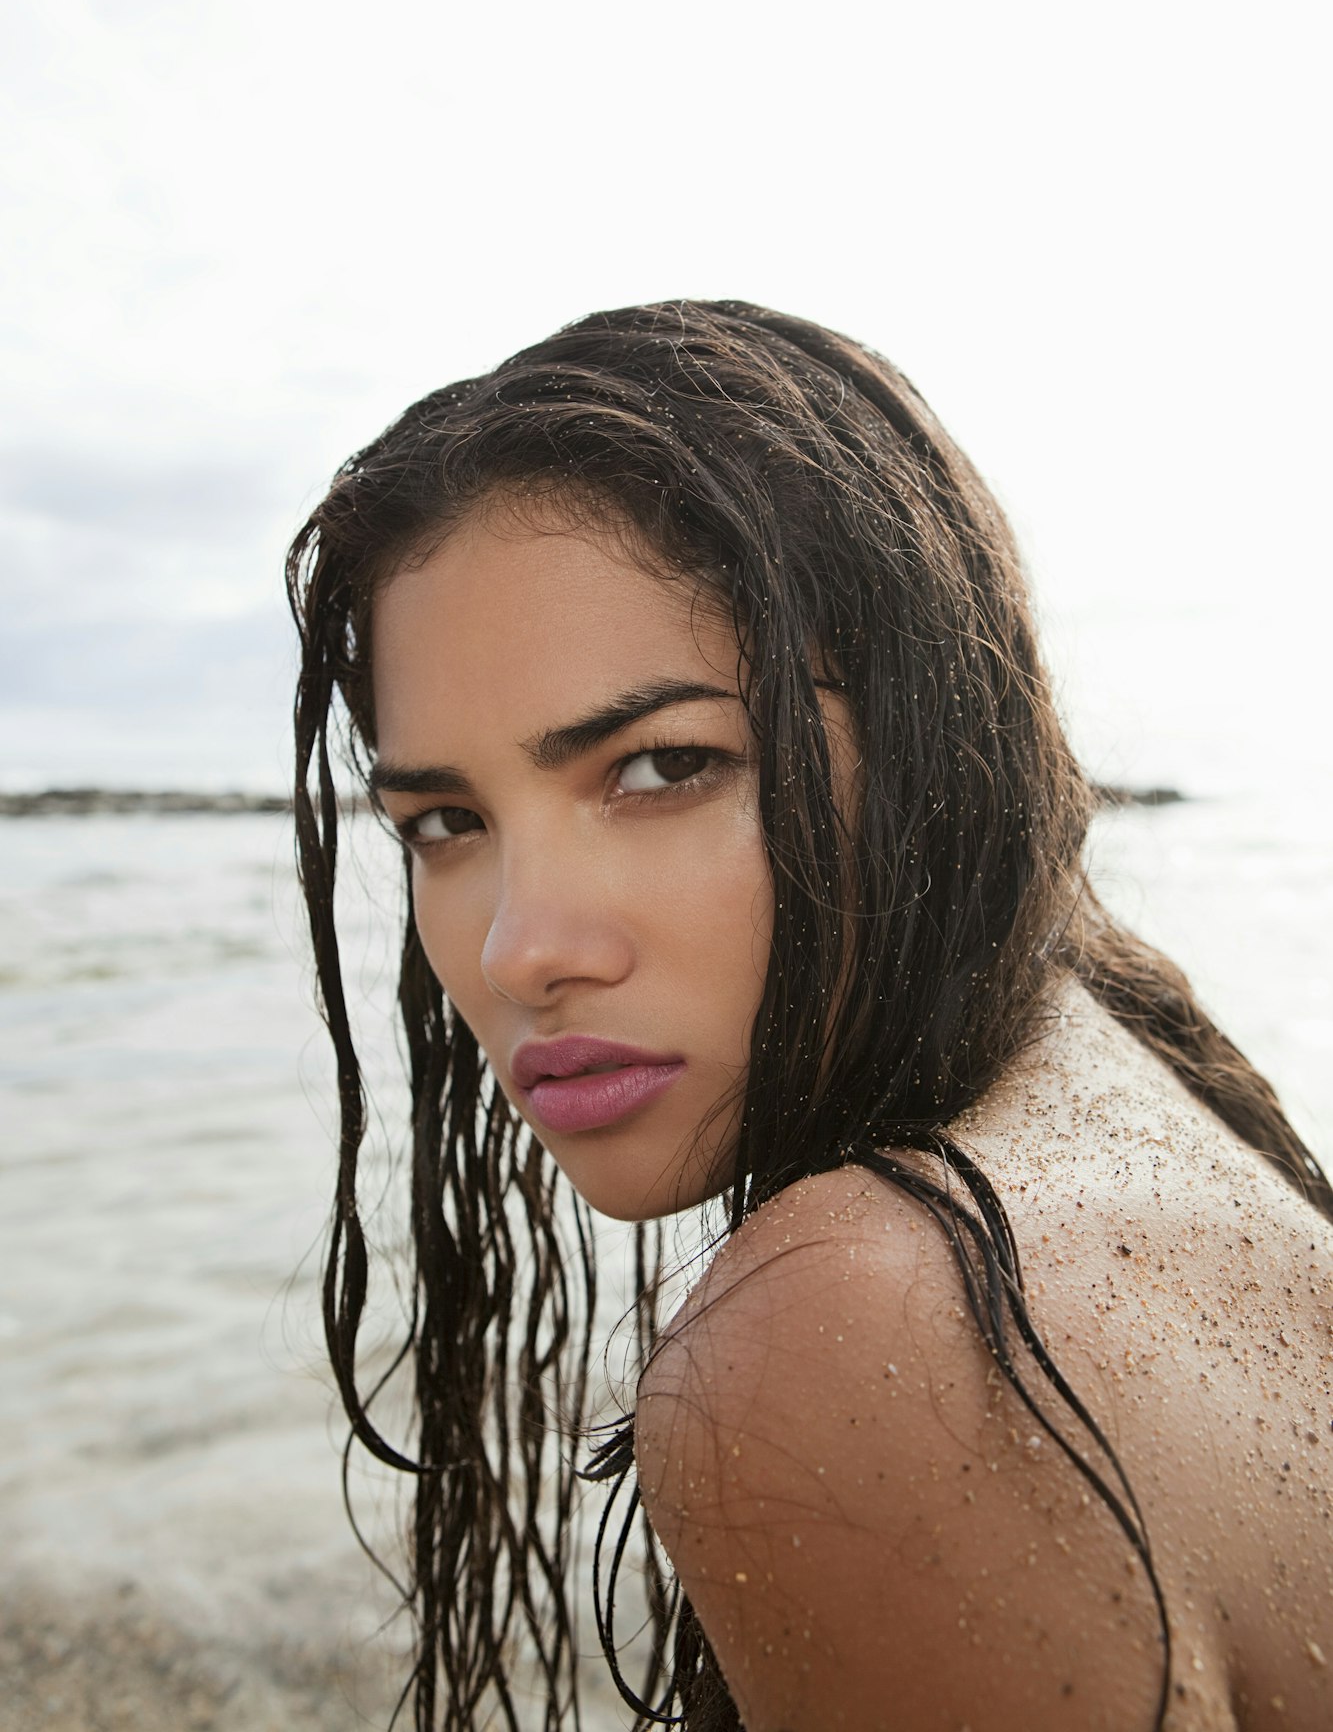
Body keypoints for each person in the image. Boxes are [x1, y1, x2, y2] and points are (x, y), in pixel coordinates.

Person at [287, 300, 1333, 1732]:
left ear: (924, 734)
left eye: (661, 767)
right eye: (446, 819)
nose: (523, 947)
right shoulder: (1133, 1062)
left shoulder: (864, 1334)